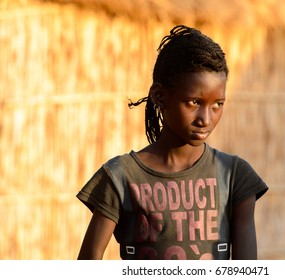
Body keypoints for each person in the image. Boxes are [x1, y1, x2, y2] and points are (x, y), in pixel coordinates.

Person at [76, 25, 268, 260]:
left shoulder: (235, 176)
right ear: (159, 96)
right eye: (194, 102)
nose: (205, 119)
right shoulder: (121, 177)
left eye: (218, 104)